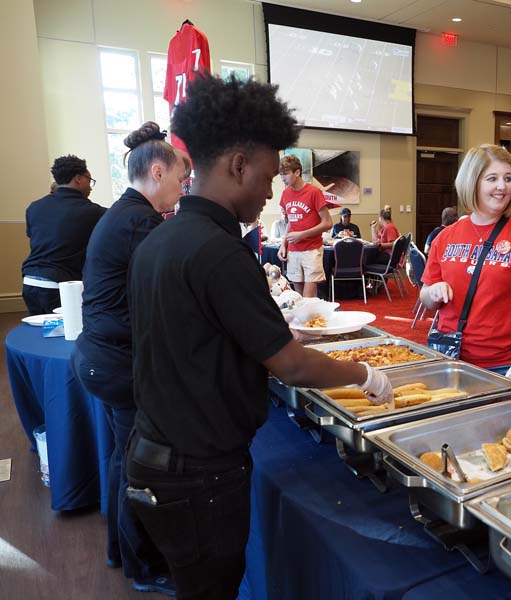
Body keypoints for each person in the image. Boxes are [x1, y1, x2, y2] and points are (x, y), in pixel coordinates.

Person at [124, 74, 393, 600]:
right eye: (268, 176)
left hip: (154, 452)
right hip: (197, 474)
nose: (271, 191)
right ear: (237, 165)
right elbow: (291, 366)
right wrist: (364, 373)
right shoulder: (221, 252)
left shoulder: (162, 238)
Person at [71, 122, 186, 595]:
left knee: (124, 458)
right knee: (139, 465)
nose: (182, 190)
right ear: (156, 172)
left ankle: (121, 551)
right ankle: (143, 566)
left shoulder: (122, 213)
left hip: (101, 358)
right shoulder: (138, 221)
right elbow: (161, 294)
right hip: (117, 363)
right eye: (180, 180)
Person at [420, 144, 511, 384]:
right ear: (472, 182)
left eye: (508, 178)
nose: (502, 187)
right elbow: (425, 296)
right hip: (449, 357)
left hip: (503, 364)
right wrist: (432, 292)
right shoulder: (446, 237)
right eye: (492, 178)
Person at [21, 155, 105, 315]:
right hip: (61, 286)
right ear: (78, 179)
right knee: (68, 331)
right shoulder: (93, 212)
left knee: (42, 332)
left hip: (30, 281)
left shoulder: (34, 207)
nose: (90, 186)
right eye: (89, 180)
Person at [278, 154, 332, 297]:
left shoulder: (314, 192)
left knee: (308, 300)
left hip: (311, 249)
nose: (282, 178)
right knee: (298, 299)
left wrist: (302, 234)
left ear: (297, 172)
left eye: (285, 174)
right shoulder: (285, 194)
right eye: (280, 174)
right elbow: (291, 222)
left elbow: (327, 223)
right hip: (293, 250)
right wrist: (283, 244)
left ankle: (312, 319)